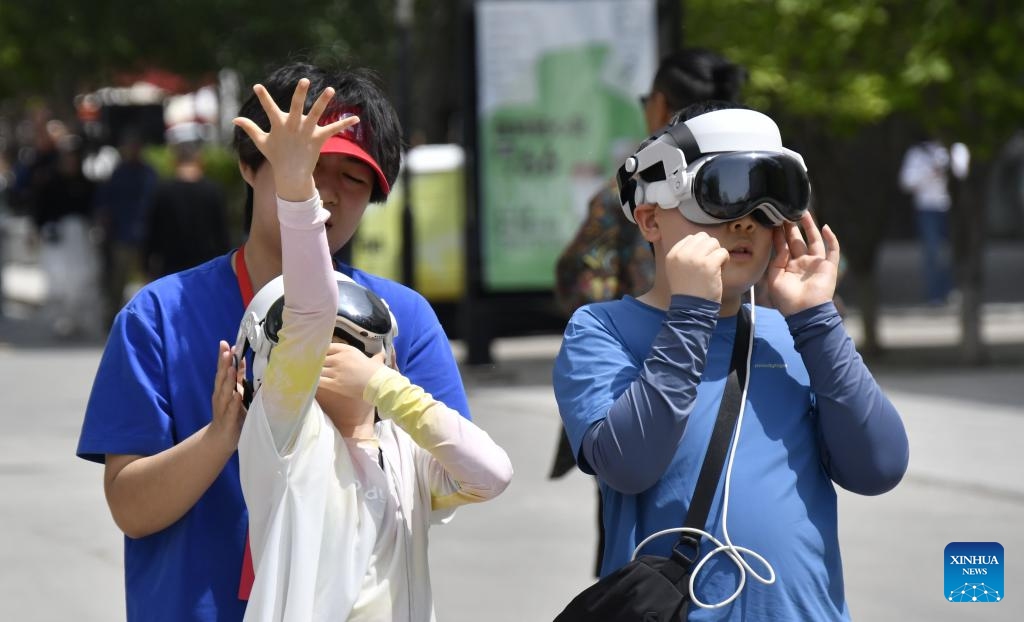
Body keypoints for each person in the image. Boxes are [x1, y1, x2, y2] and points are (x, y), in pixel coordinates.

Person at [76, 61, 473, 622]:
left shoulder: (399, 320)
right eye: (308, 166)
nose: (326, 193)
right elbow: (131, 509)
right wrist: (224, 435)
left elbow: (454, 480)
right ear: (249, 164)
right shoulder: (158, 315)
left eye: (353, 179)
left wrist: (367, 417)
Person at [552, 102, 909, 620]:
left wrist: (817, 321)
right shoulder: (602, 330)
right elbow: (628, 463)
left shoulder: (793, 334)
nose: (745, 222)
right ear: (651, 219)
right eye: (720, 194)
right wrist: (691, 314)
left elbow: (879, 467)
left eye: (768, 202)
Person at [221, 78, 511, 620]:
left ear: (390, 357)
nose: (332, 354)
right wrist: (295, 186)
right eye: (311, 347)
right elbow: (310, 309)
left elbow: (492, 473)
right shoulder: (283, 437)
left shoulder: (406, 456)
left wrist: (383, 387)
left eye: (359, 342)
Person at [549, 47, 746, 575]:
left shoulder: (638, 193)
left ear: (659, 105)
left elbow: (578, 276)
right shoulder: (768, 185)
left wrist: (630, 318)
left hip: (646, 378)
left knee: (635, 552)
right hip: (751, 381)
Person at [142, 130, 230, 279]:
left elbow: (152, 232)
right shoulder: (212, 191)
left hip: (171, 268)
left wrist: (146, 264)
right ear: (199, 160)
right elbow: (221, 234)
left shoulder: (163, 191)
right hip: (205, 267)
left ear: (175, 162)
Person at [95, 131, 158, 325]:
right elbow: (105, 203)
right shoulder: (118, 173)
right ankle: (113, 318)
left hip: (146, 235)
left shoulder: (148, 173)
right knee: (117, 280)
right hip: (121, 234)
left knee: (148, 279)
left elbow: (154, 203)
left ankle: (150, 319)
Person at [898, 136, 969, 305]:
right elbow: (906, 182)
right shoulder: (917, 153)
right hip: (927, 208)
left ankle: (951, 290)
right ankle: (934, 294)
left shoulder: (957, 149)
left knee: (953, 251)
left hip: (952, 208)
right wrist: (929, 172)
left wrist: (947, 164)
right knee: (932, 252)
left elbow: (963, 173)